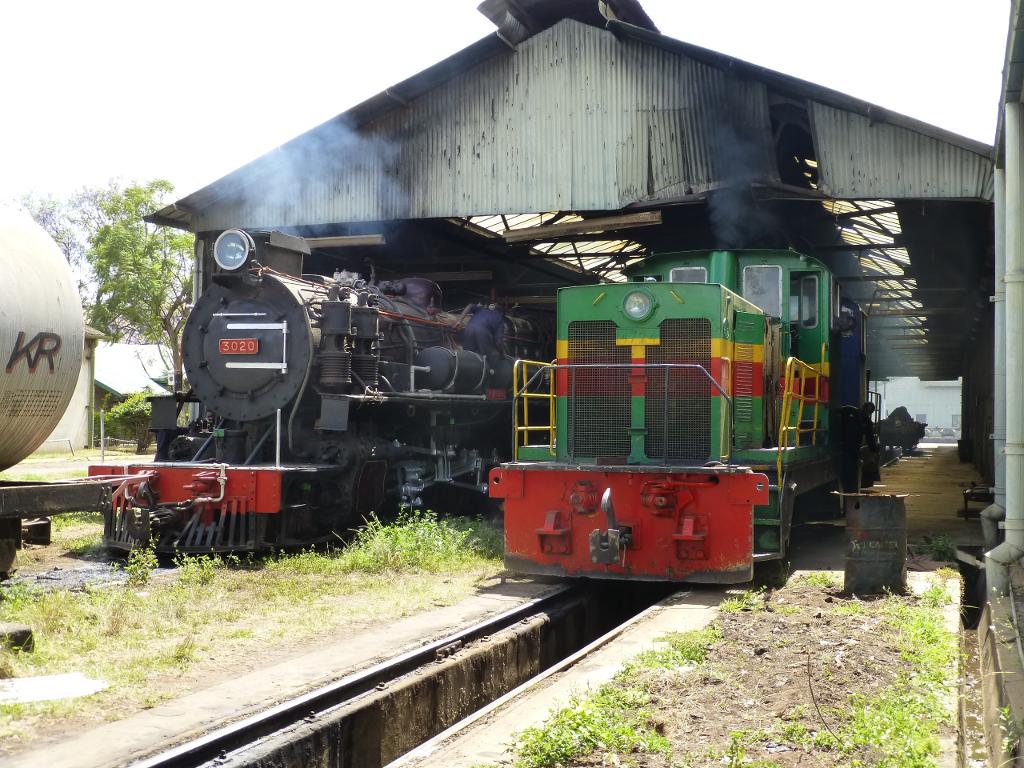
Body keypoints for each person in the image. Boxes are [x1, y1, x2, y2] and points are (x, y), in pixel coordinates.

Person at [461, 303, 505, 368]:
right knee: (491, 357)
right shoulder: (499, 318)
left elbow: (470, 305)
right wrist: (501, 354)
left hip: (468, 330)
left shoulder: (481, 309)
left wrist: (459, 320)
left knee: (467, 356)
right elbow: (498, 342)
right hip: (483, 334)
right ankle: (491, 372)